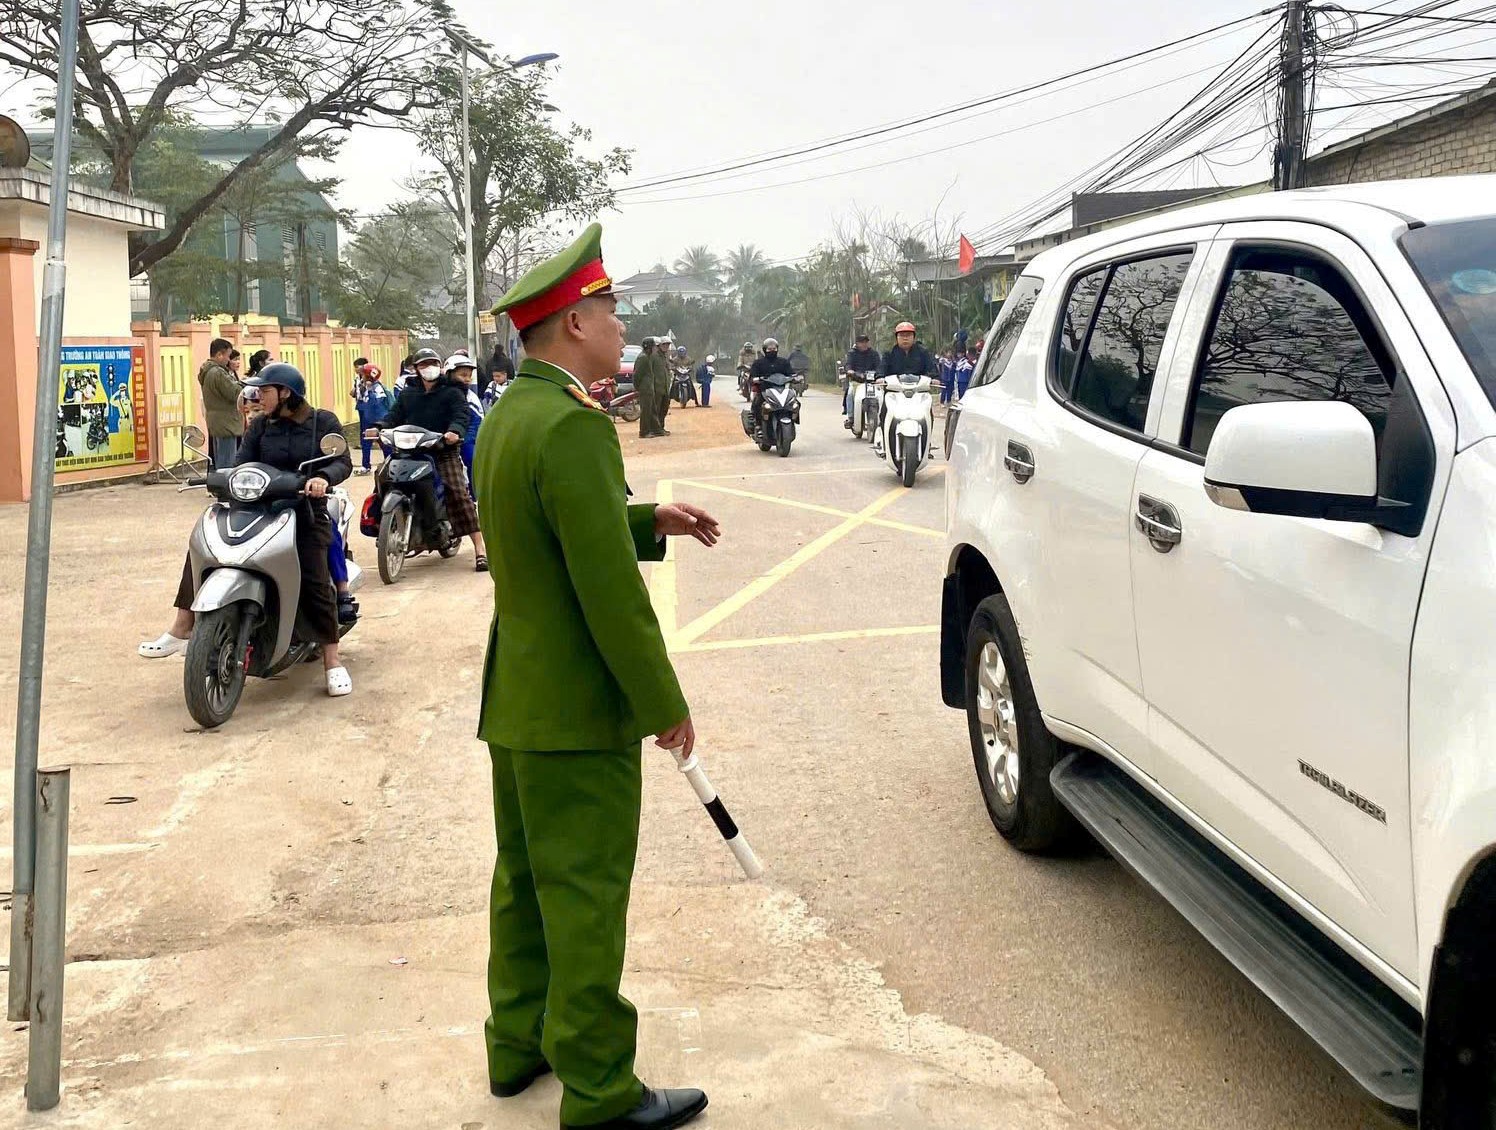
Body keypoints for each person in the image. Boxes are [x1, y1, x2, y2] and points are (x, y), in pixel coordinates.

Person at [478, 221, 717, 1130]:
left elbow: (557, 534)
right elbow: (607, 596)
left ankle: (516, 1044)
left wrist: (650, 517)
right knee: (584, 894)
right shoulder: (575, 428)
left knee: (526, 880)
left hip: (518, 701)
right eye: (611, 309)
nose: (622, 324)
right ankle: (601, 1089)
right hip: (578, 710)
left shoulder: (510, 414)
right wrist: (664, 703)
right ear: (573, 321)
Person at [138, 362, 354, 697]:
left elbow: (341, 461)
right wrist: (221, 479)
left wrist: (322, 479)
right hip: (256, 506)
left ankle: (332, 660)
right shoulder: (260, 426)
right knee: (204, 545)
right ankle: (182, 626)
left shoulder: (320, 422)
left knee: (313, 572)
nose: (258, 397)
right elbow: (241, 463)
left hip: (302, 509)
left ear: (286, 394)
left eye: (265, 391)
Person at [371, 347, 488, 571]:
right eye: (423, 365)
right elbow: (394, 416)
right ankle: (382, 524)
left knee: (457, 490)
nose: (429, 369)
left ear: (440, 367)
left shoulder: (452, 391)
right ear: (416, 369)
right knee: (383, 476)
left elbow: (461, 415)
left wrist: (454, 431)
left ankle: (480, 549)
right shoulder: (408, 393)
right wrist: (380, 427)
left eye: (432, 363)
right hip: (410, 451)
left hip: (442, 451)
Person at [875, 321, 937, 454]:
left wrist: (934, 379)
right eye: (901, 335)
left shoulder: (923, 353)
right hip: (895, 393)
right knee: (884, 413)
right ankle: (885, 444)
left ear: (914, 337)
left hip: (918, 393)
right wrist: (880, 377)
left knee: (928, 415)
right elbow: (881, 369)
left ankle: (926, 444)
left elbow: (932, 370)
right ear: (896, 337)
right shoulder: (889, 353)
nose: (905, 338)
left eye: (908, 335)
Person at [198, 337, 243, 469]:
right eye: (228, 356)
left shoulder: (207, 371)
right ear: (219, 355)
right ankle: (224, 489)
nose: (229, 360)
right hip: (226, 424)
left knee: (220, 463)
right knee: (227, 465)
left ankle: (219, 488)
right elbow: (235, 393)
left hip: (217, 422)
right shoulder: (218, 373)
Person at [447, 353, 485, 497]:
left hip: (466, 439)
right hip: (441, 440)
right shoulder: (440, 393)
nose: (467, 379)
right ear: (450, 374)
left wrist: (463, 439)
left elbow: (476, 423)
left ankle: (474, 497)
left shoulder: (471, 397)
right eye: (463, 375)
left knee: (471, 459)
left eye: (469, 376)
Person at [352, 364, 392, 475]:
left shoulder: (377, 388)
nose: (362, 376)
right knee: (365, 442)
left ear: (369, 376)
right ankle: (366, 465)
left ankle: (389, 464)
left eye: (364, 374)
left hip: (377, 421)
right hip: (367, 418)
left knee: (384, 443)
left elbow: (377, 404)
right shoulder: (364, 385)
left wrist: (370, 391)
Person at [748, 337, 793, 434]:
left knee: (795, 403)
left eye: (774, 349)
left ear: (777, 349)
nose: (772, 351)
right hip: (764, 390)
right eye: (769, 349)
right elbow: (752, 376)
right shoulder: (758, 363)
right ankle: (759, 426)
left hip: (782, 390)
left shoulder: (783, 362)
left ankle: (793, 419)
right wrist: (756, 379)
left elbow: (791, 374)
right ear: (765, 350)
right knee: (757, 404)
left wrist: (795, 378)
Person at [633, 337, 669, 439]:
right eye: (654, 346)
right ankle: (644, 432)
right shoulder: (643, 358)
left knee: (652, 410)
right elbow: (637, 375)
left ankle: (657, 430)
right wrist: (639, 387)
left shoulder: (648, 357)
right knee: (646, 411)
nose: (655, 348)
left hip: (650, 388)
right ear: (649, 347)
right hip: (645, 388)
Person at [842, 333, 879, 425]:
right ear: (857, 344)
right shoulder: (852, 353)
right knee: (850, 394)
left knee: (881, 397)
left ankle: (880, 417)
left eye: (865, 342)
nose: (864, 344)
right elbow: (848, 364)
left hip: (872, 382)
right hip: (856, 381)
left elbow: (879, 366)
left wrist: (879, 374)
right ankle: (851, 417)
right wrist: (850, 370)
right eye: (861, 342)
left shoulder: (874, 354)